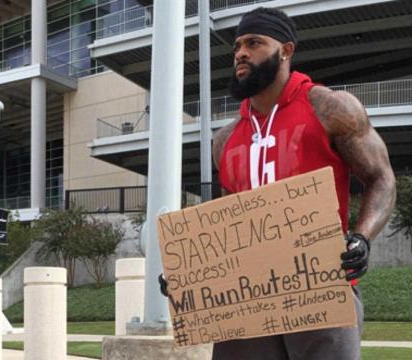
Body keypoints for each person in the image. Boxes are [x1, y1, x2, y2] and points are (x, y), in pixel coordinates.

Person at [159, 7, 396, 360]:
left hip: (319, 287)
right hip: (247, 297)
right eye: (238, 45)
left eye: (254, 42)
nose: (241, 52)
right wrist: (190, 276)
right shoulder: (225, 138)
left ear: (285, 50)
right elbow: (229, 221)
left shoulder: (329, 107)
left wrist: (361, 237)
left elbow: (382, 178)